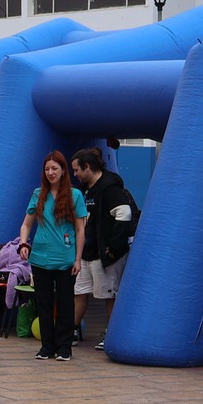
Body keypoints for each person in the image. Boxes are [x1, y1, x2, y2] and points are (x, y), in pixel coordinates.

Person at [15, 151, 87, 361]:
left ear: (63, 170)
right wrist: (23, 244)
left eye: (55, 168)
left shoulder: (75, 196)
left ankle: (64, 347)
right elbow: (26, 224)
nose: (50, 173)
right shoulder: (38, 194)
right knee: (43, 303)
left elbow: (81, 229)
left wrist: (77, 259)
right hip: (40, 258)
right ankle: (47, 346)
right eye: (47, 169)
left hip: (65, 260)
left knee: (65, 304)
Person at [69, 146, 135, 349]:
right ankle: (71, 330)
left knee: (109, 295)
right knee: (80, 292)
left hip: (104, 256)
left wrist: (113, 247)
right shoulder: (87, 190)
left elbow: (124, 215)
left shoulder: (110, 188)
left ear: (87, 167)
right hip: (87, 254)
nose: (75, 174)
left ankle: (112, 333)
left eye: (76, 170)